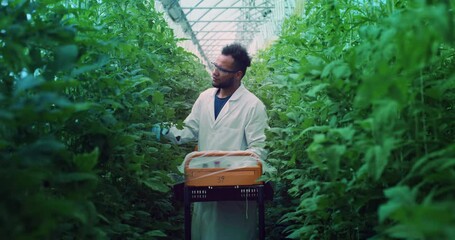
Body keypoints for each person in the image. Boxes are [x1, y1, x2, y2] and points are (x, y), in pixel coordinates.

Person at [162, 43, 268, 239]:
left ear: (238, 74)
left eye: (222, 69)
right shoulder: (204, 98)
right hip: (203, 184)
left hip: (237, 194)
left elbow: (258, 150)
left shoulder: (253, 106)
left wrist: (231, 173)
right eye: (215, 65)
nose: (215, 72)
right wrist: (164, 130)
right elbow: (189, 130)